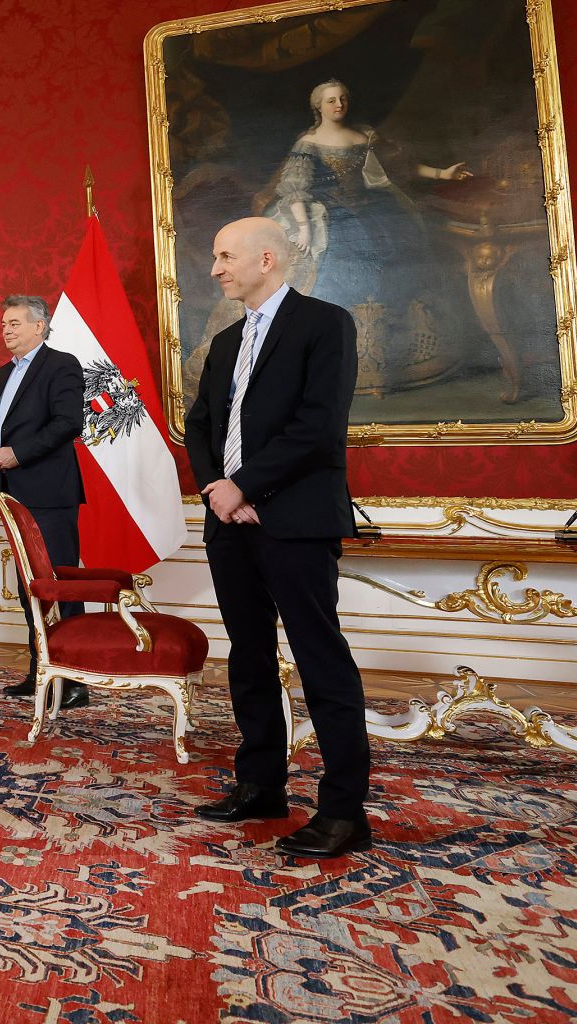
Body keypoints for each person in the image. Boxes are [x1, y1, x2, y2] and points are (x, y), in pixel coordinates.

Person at [185, 216, 372, 859]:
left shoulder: (326, 325)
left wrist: (247, 487)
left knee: (322, 662)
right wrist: (217, 488)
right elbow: (200, 427)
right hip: (228, 524)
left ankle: (345, 812)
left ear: (266, 258)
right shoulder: (225, 341)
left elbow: (319, 427)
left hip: (294, 522)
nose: (215, 268)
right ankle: (260, 784)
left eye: (223, 255)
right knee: (249, 657)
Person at [264, 78, 470, 389]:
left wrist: (442, 173)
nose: (339, 105)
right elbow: (296, 190)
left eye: (343, 98)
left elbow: (400, 167)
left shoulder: (365, 135)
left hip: (376, 210)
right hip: (331, 214)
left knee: (399, 264)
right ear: (318, 106)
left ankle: (399, 357)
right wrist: (304, 228)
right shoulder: (307, 144)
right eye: (332, 100)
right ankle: (340, 359)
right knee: (340, 267)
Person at [0, 294, 88, 706]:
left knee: (60, 583)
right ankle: (41, 670)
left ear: (39, 326)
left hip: (50, 493)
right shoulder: (1, 375)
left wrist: (17, 453)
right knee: (31, 586)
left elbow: (68, 423)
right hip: (14, 493)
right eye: (4, 323)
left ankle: (76, 681)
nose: (5, 330)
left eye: (14, 323)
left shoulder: (61, 364)